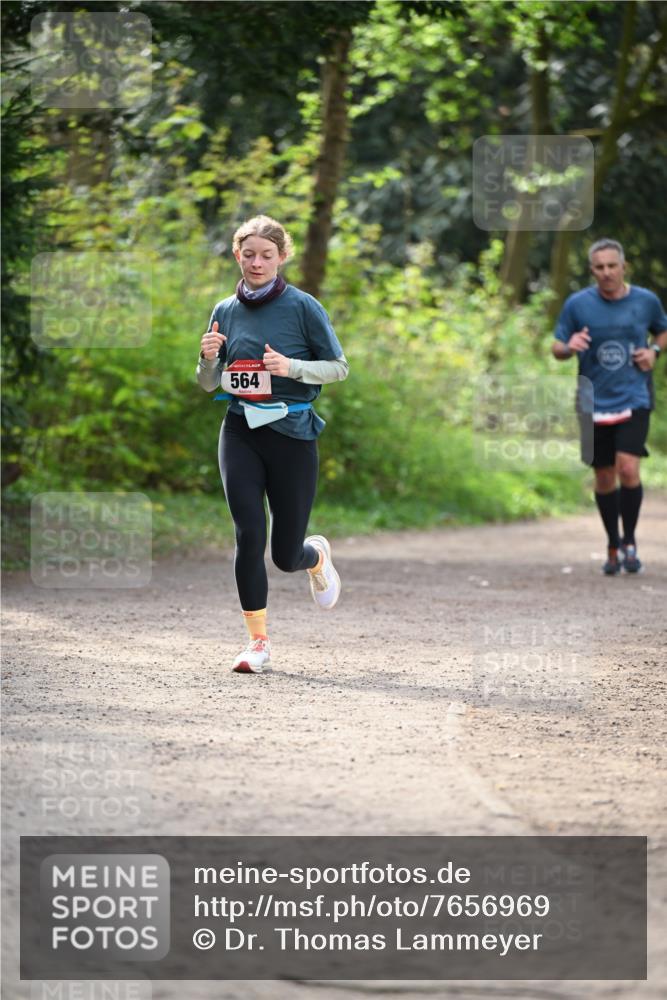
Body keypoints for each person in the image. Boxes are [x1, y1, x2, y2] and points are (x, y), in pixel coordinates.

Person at [197, 215, 349, 672]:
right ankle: (257, 643)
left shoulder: (304, 307)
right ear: (237, 255)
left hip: (292, 435)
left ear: (282, 257)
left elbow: (338, 367)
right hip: (240, 429)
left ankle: (315, 556)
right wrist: (207, 361)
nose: (257, 263)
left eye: (267, 255)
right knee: (248, 533)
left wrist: (292, 368)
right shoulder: (224, 309)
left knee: (284, 554)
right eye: (249, 254)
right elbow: (209, 384)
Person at [552, 238, 667, 574]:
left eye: (611, 266)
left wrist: (654, 353)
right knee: (604, 476)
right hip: (592, 400)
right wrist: (569, 347)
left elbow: (663, 331)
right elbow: (557, 347)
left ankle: (630, 541)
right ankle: (612, 544)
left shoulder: (645, 301)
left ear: (623, 267)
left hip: (635, 396)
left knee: (628, 468)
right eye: (599, 268)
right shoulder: (577, 305)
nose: (606, 273)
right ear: (592, 271)